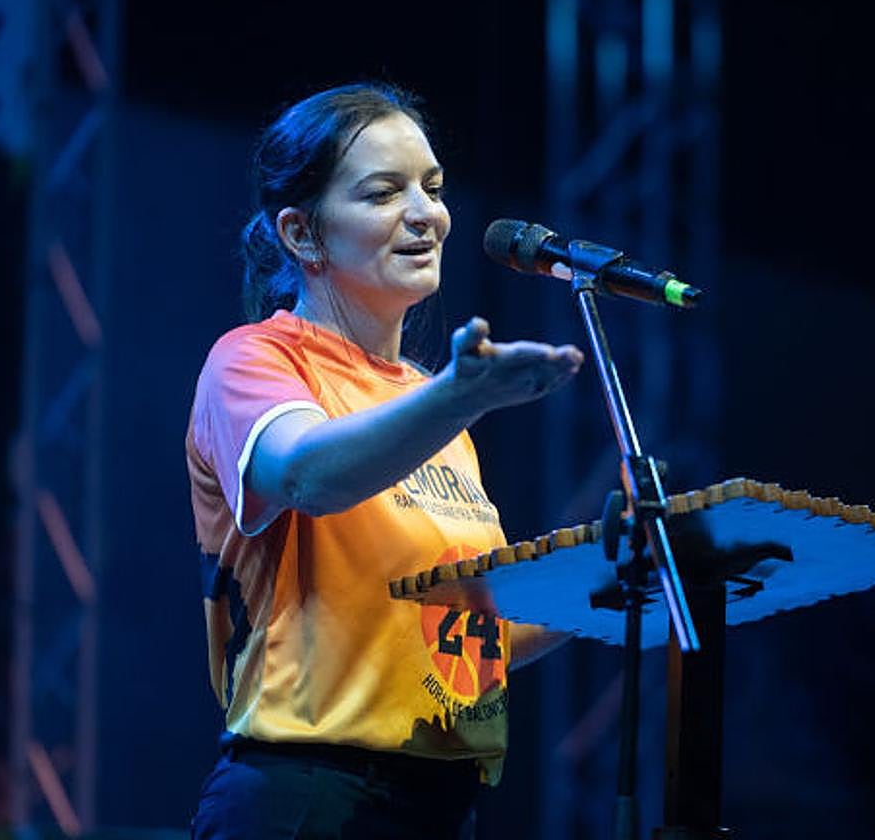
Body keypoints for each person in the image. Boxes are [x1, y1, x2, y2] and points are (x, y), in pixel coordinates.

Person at [185, 82, 583, 839]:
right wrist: (458, 399)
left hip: (441, 802)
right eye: (383, 192)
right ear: (302, 233)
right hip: (309, 795)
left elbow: (475, 627)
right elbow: (305, 475)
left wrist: (608, 582)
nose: (426, 213)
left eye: (432, 187)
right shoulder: (256, 360)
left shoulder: (434, 407)